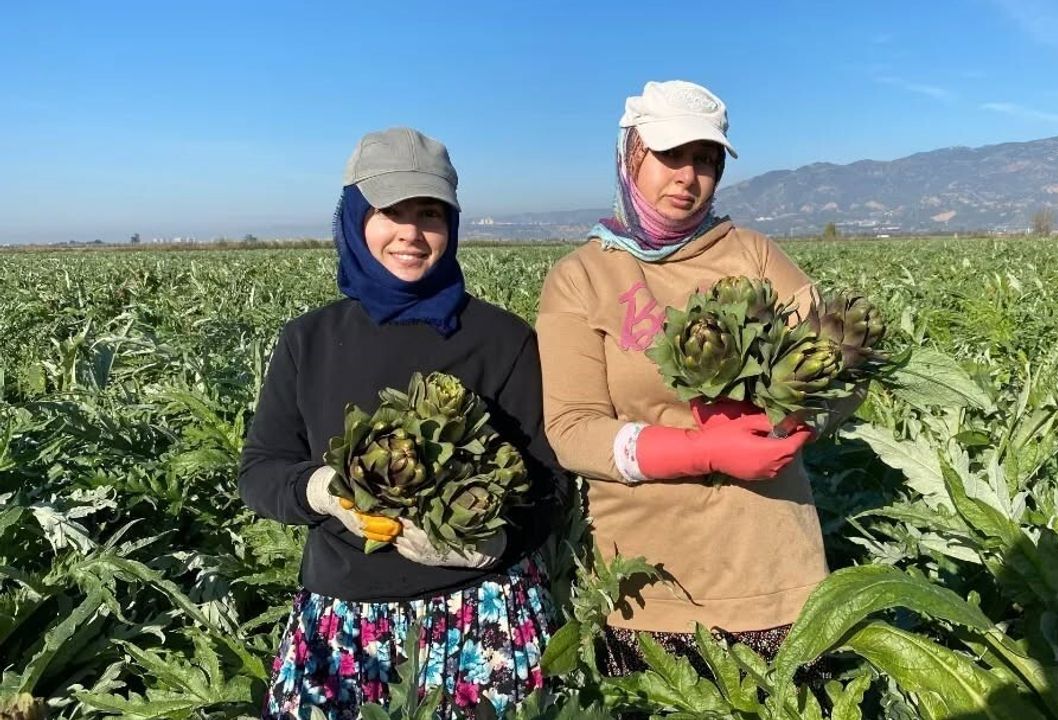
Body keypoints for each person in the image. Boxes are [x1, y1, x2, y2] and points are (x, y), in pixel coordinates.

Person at [239, 127, 569, 719]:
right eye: (392, 212)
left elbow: (548, 482)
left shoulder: (503, 340)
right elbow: (260, 472)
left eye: (431, 214)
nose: (412, 234)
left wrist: (492, 544)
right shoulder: (308, 342)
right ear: (355, 218)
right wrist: (320, 492)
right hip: (341, 627)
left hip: (483, 613)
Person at [535, 80, 846, 675]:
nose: (688, 175)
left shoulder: (753, 254)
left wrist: (793, 425)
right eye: (670, 155)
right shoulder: (583, 278)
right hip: (648, 592)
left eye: (705, 159)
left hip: (777, 572)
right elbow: (574, 431)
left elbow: (841, 370)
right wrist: (703, 449)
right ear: (631, 156)